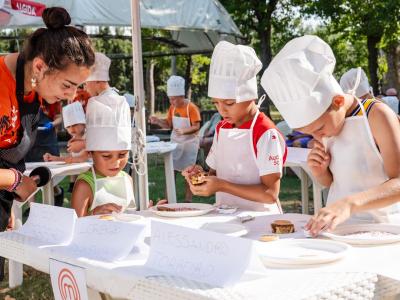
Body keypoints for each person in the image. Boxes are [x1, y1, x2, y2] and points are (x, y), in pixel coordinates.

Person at [261, 35, 400, 235]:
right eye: (308, 133)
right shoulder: (328, 126)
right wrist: (320, 172)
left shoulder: (377, 115)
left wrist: (350, 204)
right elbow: (334, 184)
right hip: (337, 230)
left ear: (336, 101)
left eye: (318, 129)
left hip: (382, 230)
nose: (318, 137)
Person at [0, 6, 94, 279]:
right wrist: (15, 182)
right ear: (40, 66)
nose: (70, 96)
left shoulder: (33, 90)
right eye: (67, 85)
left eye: (77, 87)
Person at [183, 41, 287, 212]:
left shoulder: (265, 132)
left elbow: (270, 194)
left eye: (229, 103)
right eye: (216, 103)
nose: (222, 110)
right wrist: (199, 176)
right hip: (225, 215)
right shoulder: (222, 128)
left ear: (251, 96)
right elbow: (214, 175)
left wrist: (222, 186)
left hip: (259, 220)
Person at [71, 90, 135, 217]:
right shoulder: (85, 185)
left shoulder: (127, 179)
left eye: (122, 155)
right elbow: (75, 226)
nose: (116, 162)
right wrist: (94, 213)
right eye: (106, 156)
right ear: (90, 152)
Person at [149, 75, 201, 202]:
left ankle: (189, 200)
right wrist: (157, 121)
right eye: (170, 99)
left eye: (174, 99)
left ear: (181, 96)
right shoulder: (172, 108)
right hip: (176, 144)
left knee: (190, 173)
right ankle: (169, 199)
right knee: (171, 171)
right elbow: (168, 124)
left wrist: (184, 131)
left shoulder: (191, 108)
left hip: (189, 145)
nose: (171, 102)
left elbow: (196, 126)